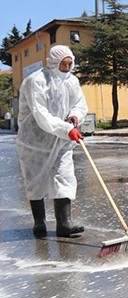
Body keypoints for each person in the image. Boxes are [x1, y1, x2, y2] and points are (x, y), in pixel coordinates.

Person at [15, 45, 86, 238]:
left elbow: (80, 104)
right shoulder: (36, 81)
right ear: (54, 63)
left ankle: (64, 224)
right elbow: (41, 115)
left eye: (71, 63)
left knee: (64, 177)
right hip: (35, 141)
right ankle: (39, 222)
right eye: (65, 63)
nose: (69, 67)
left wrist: (74, 118)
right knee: (35, 180)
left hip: (62, 140)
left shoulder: (72, 81)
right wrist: (67, 129)